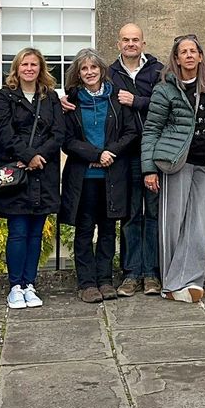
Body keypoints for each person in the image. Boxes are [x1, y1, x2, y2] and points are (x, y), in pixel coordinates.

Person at [0, 47, 66, 309]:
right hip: (17, 172)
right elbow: (4, 132)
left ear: (41, 68)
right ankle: (15, 285)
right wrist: (27, 155)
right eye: (24, 64)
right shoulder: (5, 97)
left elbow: (58, 133)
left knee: (36, 233)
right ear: (17, 69)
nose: (29, 69)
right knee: (18, 232)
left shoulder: (51, 97)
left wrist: (37, 156)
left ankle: (30, 283)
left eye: (34, 64)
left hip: (43, 173)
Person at [141, 34, 205, 303]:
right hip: (174, 164)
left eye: (193, 51)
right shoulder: (165, 89)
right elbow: (151, 130)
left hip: (202, 163)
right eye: (183, 51)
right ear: (176, 58)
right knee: (172, 225)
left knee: (198, 224)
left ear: (200, 56)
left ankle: (191, 280)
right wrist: (149, 169)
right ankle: (170, 284)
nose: (188, 55)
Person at [60, 49, 138, 304]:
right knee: (84, 230)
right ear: (78, 74)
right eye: (84, 69)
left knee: (108, 230)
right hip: (84, 178)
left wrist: (110, 152)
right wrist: (96, 154)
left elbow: (130, 132)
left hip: (112, 175)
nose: (90, 72)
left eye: (94, 67)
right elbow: (67, 141)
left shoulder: (116, 98)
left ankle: (105, 279)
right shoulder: (71, 101)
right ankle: (87, 283)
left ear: (102, 70)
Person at [109, 23, 166, 297]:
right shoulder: (110, 73)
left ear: (143, 44)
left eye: (135, 39)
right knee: (131, 215)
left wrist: (136, 101)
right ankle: (131, 273)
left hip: (154, 153)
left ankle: (152, 273)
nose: (130, 44)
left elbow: (165, 103)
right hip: (126, 154)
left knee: (154, 214)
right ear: (118, 43)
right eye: (126, 40)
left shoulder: (159, 71)